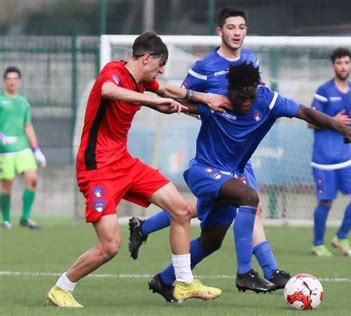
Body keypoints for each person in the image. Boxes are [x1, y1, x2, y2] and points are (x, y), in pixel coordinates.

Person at [145, 62, 351, 302]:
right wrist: (153, 96)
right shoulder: (216, 102)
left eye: (250, 96)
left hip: (231, 176)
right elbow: (171, 99)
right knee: (249, 196)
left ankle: (164, 279)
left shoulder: (268, 101)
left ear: (257, 89)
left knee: (211, 242)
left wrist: (338, 126)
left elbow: (305, 112)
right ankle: (244, 273)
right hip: (204, 172)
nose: (246, 102)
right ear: (230, 90)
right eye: (241, 97)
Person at [46, 31, 229, 308]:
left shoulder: (142, 81)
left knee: (181, 209)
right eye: (160, 64)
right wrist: (153, 102)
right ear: (146, 58)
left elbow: (167, 90)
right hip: (97, 168)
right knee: (110, 246)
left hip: (124, 162)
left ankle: (182, 281)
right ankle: (62, 287)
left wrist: (204, 99)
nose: (163, 70)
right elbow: (108, 90)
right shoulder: (114, 72)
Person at [128, 7, 291, 292]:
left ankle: (149, 241)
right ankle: (269, 270)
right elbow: (181, 97)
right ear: (220, 31)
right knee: (249, 205)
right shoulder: (204, 66)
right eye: (231, 27)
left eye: (241, 27)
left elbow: (257, 93)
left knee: (200, 213)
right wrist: (209, 109)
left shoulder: (251, 59)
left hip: (240, 155)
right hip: (216, 154)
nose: (237, 32)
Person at [309, 47, 351, 257]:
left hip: (346, 157)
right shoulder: (324, 90)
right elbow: (310, 122)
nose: (343, 66)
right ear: (333, 66)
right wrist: (333, 121)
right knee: (325, 201)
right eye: (339, 63)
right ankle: (317, 244)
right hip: (324, 159)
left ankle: (341, 237)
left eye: (346, 63)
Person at [0, 66, 46, 230]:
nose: (12, 81)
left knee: (32, 179)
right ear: (5, 81)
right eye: (9, 78)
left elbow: (27, 126)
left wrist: (36, 149)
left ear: (19, 81)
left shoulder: (23, 102)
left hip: (23, 149)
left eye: (15, 79)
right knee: (7, 184)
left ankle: (25, 218)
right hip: (5, 151)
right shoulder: (0, 101)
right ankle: (6, 219)